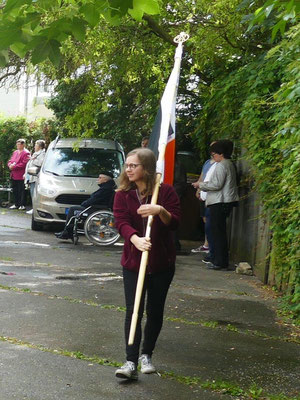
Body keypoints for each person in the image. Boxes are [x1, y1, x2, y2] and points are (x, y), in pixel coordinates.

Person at [113, 148, 181, 380]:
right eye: (127, 166)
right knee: (133, 311)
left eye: (134, 165)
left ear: (147, 168)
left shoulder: (165, 192)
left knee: (154, 311)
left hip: (162, 263)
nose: (129, 169)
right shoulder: (123, 194)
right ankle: (130, 361)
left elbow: (175, 223)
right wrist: (135, 239)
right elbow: (120, 221)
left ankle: (146, 355)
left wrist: (160, 210)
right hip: (133, 262)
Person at [198, 141, 238, 270]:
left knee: (217, 233)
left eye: (214, 154)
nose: (213, 157)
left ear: (221, 153)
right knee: (219, 232)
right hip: (224, 201)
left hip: (219, 201)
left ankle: (219, 261)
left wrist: (201, 185)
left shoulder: (222, 165)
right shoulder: (229, 164)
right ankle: (219, 260)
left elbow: (216, 184)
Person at [55, 171, 116, 240]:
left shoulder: (105, 189)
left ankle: (68, 232)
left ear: (105, 179)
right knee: (75, 209)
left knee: (72, 209)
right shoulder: (108, 188)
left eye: (100, 178)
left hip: (96, 210)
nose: (98, 179)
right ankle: (67, 232)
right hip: (98, 209)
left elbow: (93, 200)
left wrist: (84, 204)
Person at [7, 138, 30, 210]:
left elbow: (24, 164)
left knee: (22, 190)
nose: (17, 145)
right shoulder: (15, 152)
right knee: (15, 190)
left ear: (23, 145)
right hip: (14, 174)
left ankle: (22, 205)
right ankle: (16, 204)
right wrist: (10, 165)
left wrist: (14, 167)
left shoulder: (26, 153)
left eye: (19, 144)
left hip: (21, 175)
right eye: (17, 144)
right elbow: (10, 160)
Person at [24, 140, 46, 214]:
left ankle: (35, 209)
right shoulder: (36, 153)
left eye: (36, 145)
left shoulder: (42, 154)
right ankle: (34, 208)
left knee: (34, 193)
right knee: (32, 193)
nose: (34, 147)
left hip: (36, 177)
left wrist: (33, 160)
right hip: (31, 176)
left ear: (40, 146)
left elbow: (41, 163)